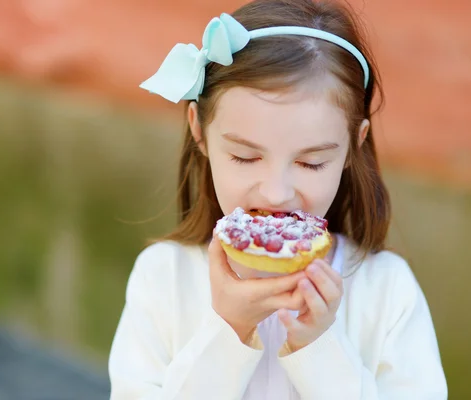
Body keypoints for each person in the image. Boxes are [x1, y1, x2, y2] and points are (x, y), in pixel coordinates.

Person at [108, 0, 448, 398]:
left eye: (311, 162)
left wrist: (319, 349)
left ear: (352, 148)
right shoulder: (162, 278)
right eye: (245, 157)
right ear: (199, 131)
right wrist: (228, 330)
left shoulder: (388, 291)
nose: (276, 193)